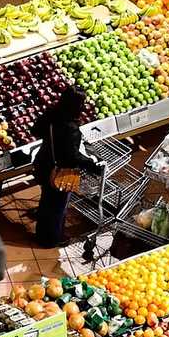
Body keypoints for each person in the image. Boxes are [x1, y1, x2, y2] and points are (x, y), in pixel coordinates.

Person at [30, 89, 101, 249]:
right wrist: (91, 164)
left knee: (47, 201)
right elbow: (72, 156)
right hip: (60, 172)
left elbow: (35, 130)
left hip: (43, 163)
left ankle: (43, 234)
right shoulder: (71, 127)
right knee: (57, 206)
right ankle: (50, 239)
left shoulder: (52, 113)